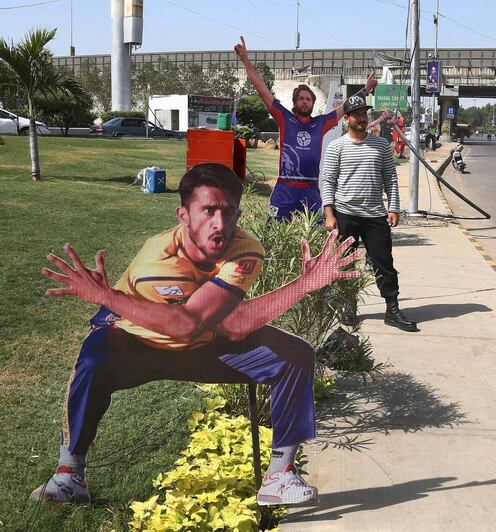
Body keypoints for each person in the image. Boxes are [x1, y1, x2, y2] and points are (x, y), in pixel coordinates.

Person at [31, 163, 361, 506]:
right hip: (139, 345)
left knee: (294, 355)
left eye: (228, 212)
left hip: (204, 344)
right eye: (208, 211)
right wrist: (106, 299)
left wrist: (305, 283)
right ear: (183, 215)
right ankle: (69, 477)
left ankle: (279, 475)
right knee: (93, 356)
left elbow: (231, 325)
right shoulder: (157, 260)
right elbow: (183, 325)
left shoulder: (245, 249)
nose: (219, 224)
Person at [235, 36, 377, 221]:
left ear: (312, 103)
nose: (304, 101)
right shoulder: (284, 119)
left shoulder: (321, 123)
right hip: (285, 189)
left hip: (310, 190)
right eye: (301, 98)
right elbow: (262, 90)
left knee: (314, 238)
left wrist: (365, 90)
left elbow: (346, 107)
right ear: (295, 102)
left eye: (308, 99)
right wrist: (245, 60)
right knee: (273, 234)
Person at [321, 94, 418, 332]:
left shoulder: (381, 145)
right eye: (358, 115)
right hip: (346, 215)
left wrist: (394, 207)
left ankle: (392, 309)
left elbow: (390, 179)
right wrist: (329, 214)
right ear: (347, 119)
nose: (363, 118)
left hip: (375, 216)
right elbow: (327, 181)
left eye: (365, 114)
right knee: (346, 265)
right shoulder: (337, 147)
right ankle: (348, 306)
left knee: (384, 264)